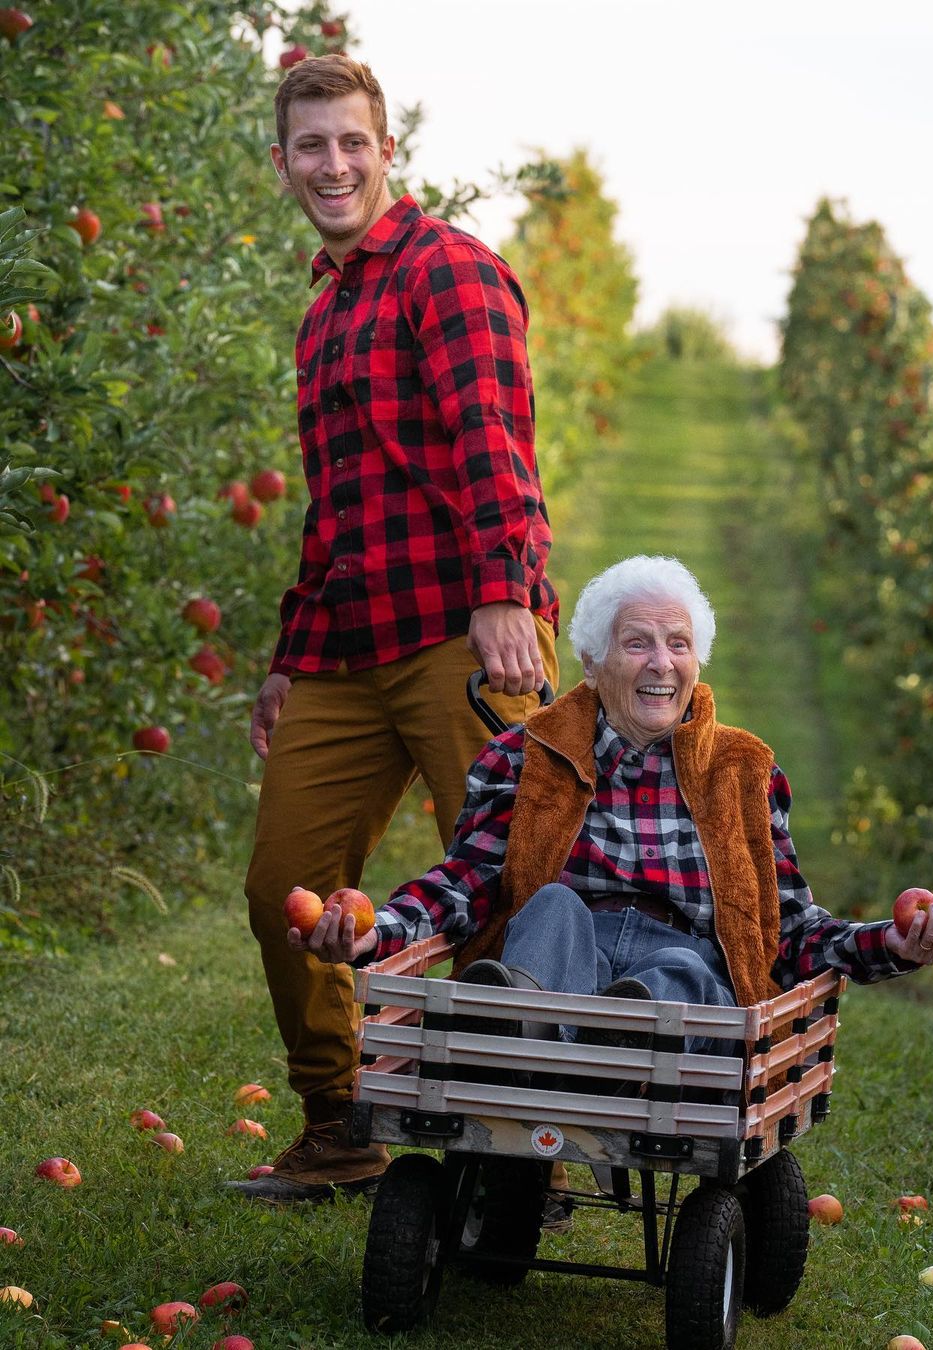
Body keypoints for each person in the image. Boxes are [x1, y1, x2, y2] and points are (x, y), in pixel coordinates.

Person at [234, 54, 559, 1206]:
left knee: (519, 884)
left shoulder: (447, 273)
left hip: (461, 635)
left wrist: (506, 592)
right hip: (346, 645)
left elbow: (494, 448)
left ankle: (528, 1140)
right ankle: (342, 1119)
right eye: (310, 146)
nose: (332, 164)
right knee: (288, 882)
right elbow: (338, 504)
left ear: (385, 150)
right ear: (283, 165)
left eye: (351, 142)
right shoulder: (328, 306)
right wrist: (288, 655)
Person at [297, 553, 933, 1064]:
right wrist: (376, 932)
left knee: (683, 968)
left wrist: (893, 946)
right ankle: (520, 1025)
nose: (662, 663)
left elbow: (790, 929)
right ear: (592, 664)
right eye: (638, 642)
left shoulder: (746, 773)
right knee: (553, 908)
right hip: (560, 967)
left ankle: (619, 1041)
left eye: (678, 644)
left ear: (697, 663)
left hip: (678, 985)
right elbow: (463, 884)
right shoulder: (523, 756)